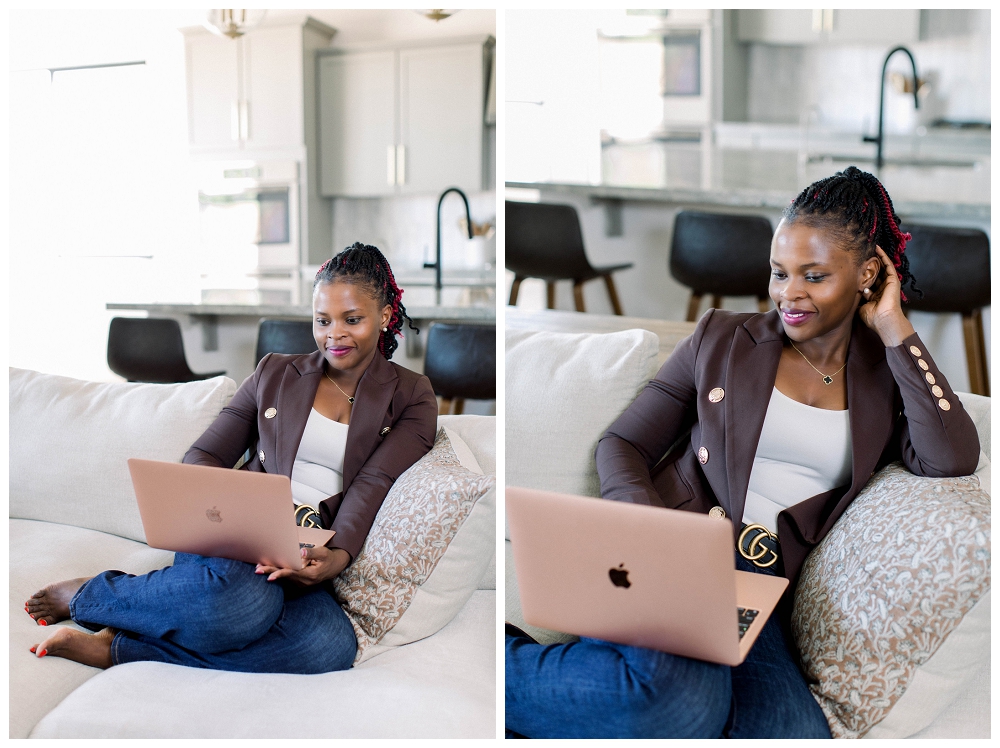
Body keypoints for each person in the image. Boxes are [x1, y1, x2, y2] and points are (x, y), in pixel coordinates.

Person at [505, 167, 980, 738]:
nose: (788, 293)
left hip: (764, 595)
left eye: (815, 276)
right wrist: (653, 536)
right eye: (779, 273)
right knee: (678, 702)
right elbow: (622, 442)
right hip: (670, 561)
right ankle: (509, 663)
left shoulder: (887, 380)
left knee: (789, 734)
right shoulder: (723, 338)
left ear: (869, 273)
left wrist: (894, 327)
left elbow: (951, 456)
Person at [25, 242, 438, 673]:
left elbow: (376, 481)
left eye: (352, 319)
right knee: (243, 601)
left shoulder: (411, 395)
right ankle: (90, 595)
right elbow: (205, 453)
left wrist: (338, 558)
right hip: (236, 537)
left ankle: (119, 647)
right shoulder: (274, 373)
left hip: (310, 546)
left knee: (327, 645)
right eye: (322, 320)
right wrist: (238, 509)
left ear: (386, 315)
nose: (334, 334)